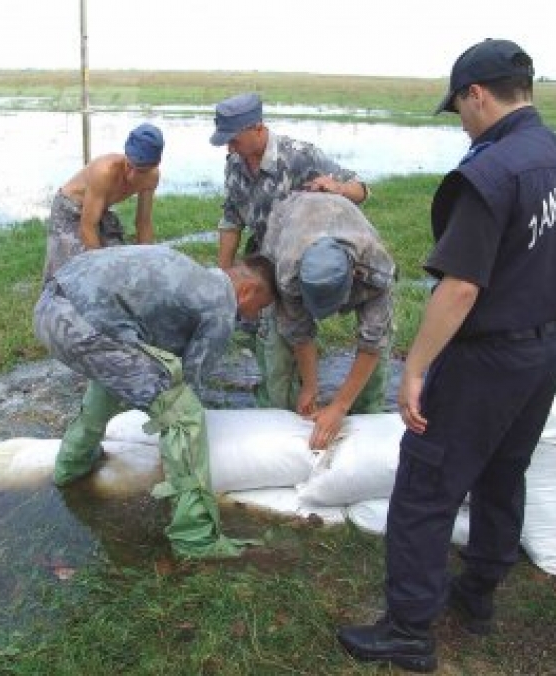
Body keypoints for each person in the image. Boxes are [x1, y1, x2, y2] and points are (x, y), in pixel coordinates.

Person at [336, 39, 556, 673]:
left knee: (425, 490)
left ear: (476, 94)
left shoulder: (492, 172)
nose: (460, 119)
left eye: (458, 107)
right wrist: (544, 324)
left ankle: (409, 630)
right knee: (503, 475)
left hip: (484, 360)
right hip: (541, 353)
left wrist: (418, 368)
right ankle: (477, 597)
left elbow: (459, 287)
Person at [33, 244, 276, 559]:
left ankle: (72, 466)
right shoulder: (221, 307)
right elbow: (189, 381)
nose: (253, 316)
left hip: (49, 307)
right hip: (83, 327)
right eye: (260, 306)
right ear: (248, 291)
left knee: (118, 375)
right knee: (183, 413)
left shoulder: (190, 272)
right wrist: (178, 437)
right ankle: (196, 538)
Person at [210, 92, 371, 410]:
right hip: (265, 266)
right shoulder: (234, 163)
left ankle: (308, 395)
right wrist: (224, 273)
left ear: (256, 128)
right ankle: (280, 404)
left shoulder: (300, 156)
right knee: (271, 341)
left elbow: (360, 189)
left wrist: (337, 188)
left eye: (234, 140)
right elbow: (231, 218)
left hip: (306, 261)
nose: (229, 148)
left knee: (295, 331)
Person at [260, 192, 395, 448]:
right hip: (289, 220)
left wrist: (339, 407)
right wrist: (310, 387)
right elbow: (299, 331)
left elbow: (373, 341)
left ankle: (365, 429)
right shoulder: (287, 271)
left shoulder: (375, 269)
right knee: (279, 349)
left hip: (344, 221)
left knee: (377, 358)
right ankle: (285, 425)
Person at [41, 123, 164, 282]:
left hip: (98, 212)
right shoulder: (104, 171)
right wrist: (101, 270)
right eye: (129, 166)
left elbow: (143, 223)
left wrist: (147, 264)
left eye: (141, 171)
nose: (132, 176)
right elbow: (87, 226)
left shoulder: (152, 177)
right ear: (125, 155)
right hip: (68, 209)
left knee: (120, 263)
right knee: (71, 273)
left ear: (155, 164)